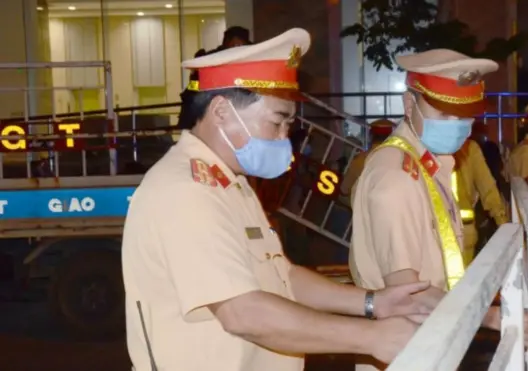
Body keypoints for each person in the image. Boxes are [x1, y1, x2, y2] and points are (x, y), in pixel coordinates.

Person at [122, 28, 431, 371]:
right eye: (277, 122)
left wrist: (373, 304)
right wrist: (371, 337)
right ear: (222, 110)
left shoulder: (231, 184)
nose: (285, 138)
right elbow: (243, 313)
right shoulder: (185, 191)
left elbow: (283, 277)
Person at [349, 49, 506, 371]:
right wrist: (490, 316)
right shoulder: (396, 177)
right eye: (445, 114)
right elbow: (406, 292)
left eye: (465, 115)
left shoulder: (428, 166)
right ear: (409, 105)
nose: (459, 126)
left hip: (427, 338)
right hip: (403, 349)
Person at [177, 27, 253, 130]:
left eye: (241, 46)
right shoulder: (208, 60)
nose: (237, 49)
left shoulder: (250, 60)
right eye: (234, 45)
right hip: (209, 110)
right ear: (225, 44)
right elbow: (193, 90)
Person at [453, 136, 508, 266]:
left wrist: (502, 223)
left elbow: (488, 188)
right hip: (462, 231)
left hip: (459, 233)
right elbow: (488, 188)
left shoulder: (469, 149)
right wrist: (502, 222)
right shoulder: (468, 148)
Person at [338, 119, 394, 207]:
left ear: (371, 136)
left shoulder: (360, 160)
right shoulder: (399, 159)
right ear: (391, 137)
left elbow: (344, 189)